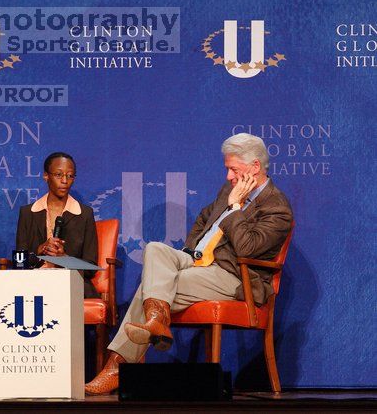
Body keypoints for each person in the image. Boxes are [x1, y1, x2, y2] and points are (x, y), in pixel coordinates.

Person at [85, 133, 293, 395]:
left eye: (234, 169)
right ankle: (156, 321)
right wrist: (192, 251)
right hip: (198, 262)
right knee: (155, 250)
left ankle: (118, 364)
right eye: (227, 169)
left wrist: (236, 208)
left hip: (233, 276)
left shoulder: (276, 207)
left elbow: (247, 248)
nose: (228, 176)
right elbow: (206, 217)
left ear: (254, 168)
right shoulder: (228, 189)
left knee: (153, 286)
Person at [15, 152, 99, 298]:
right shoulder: (28, 212)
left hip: (71, 282)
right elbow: (19, 262)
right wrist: (39, 251)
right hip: (35, 281)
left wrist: (64, 258)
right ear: (46, 176)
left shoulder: (84, 213)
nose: (65, 181)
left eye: (70, 175)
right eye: (59, 175)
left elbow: (91, 267)